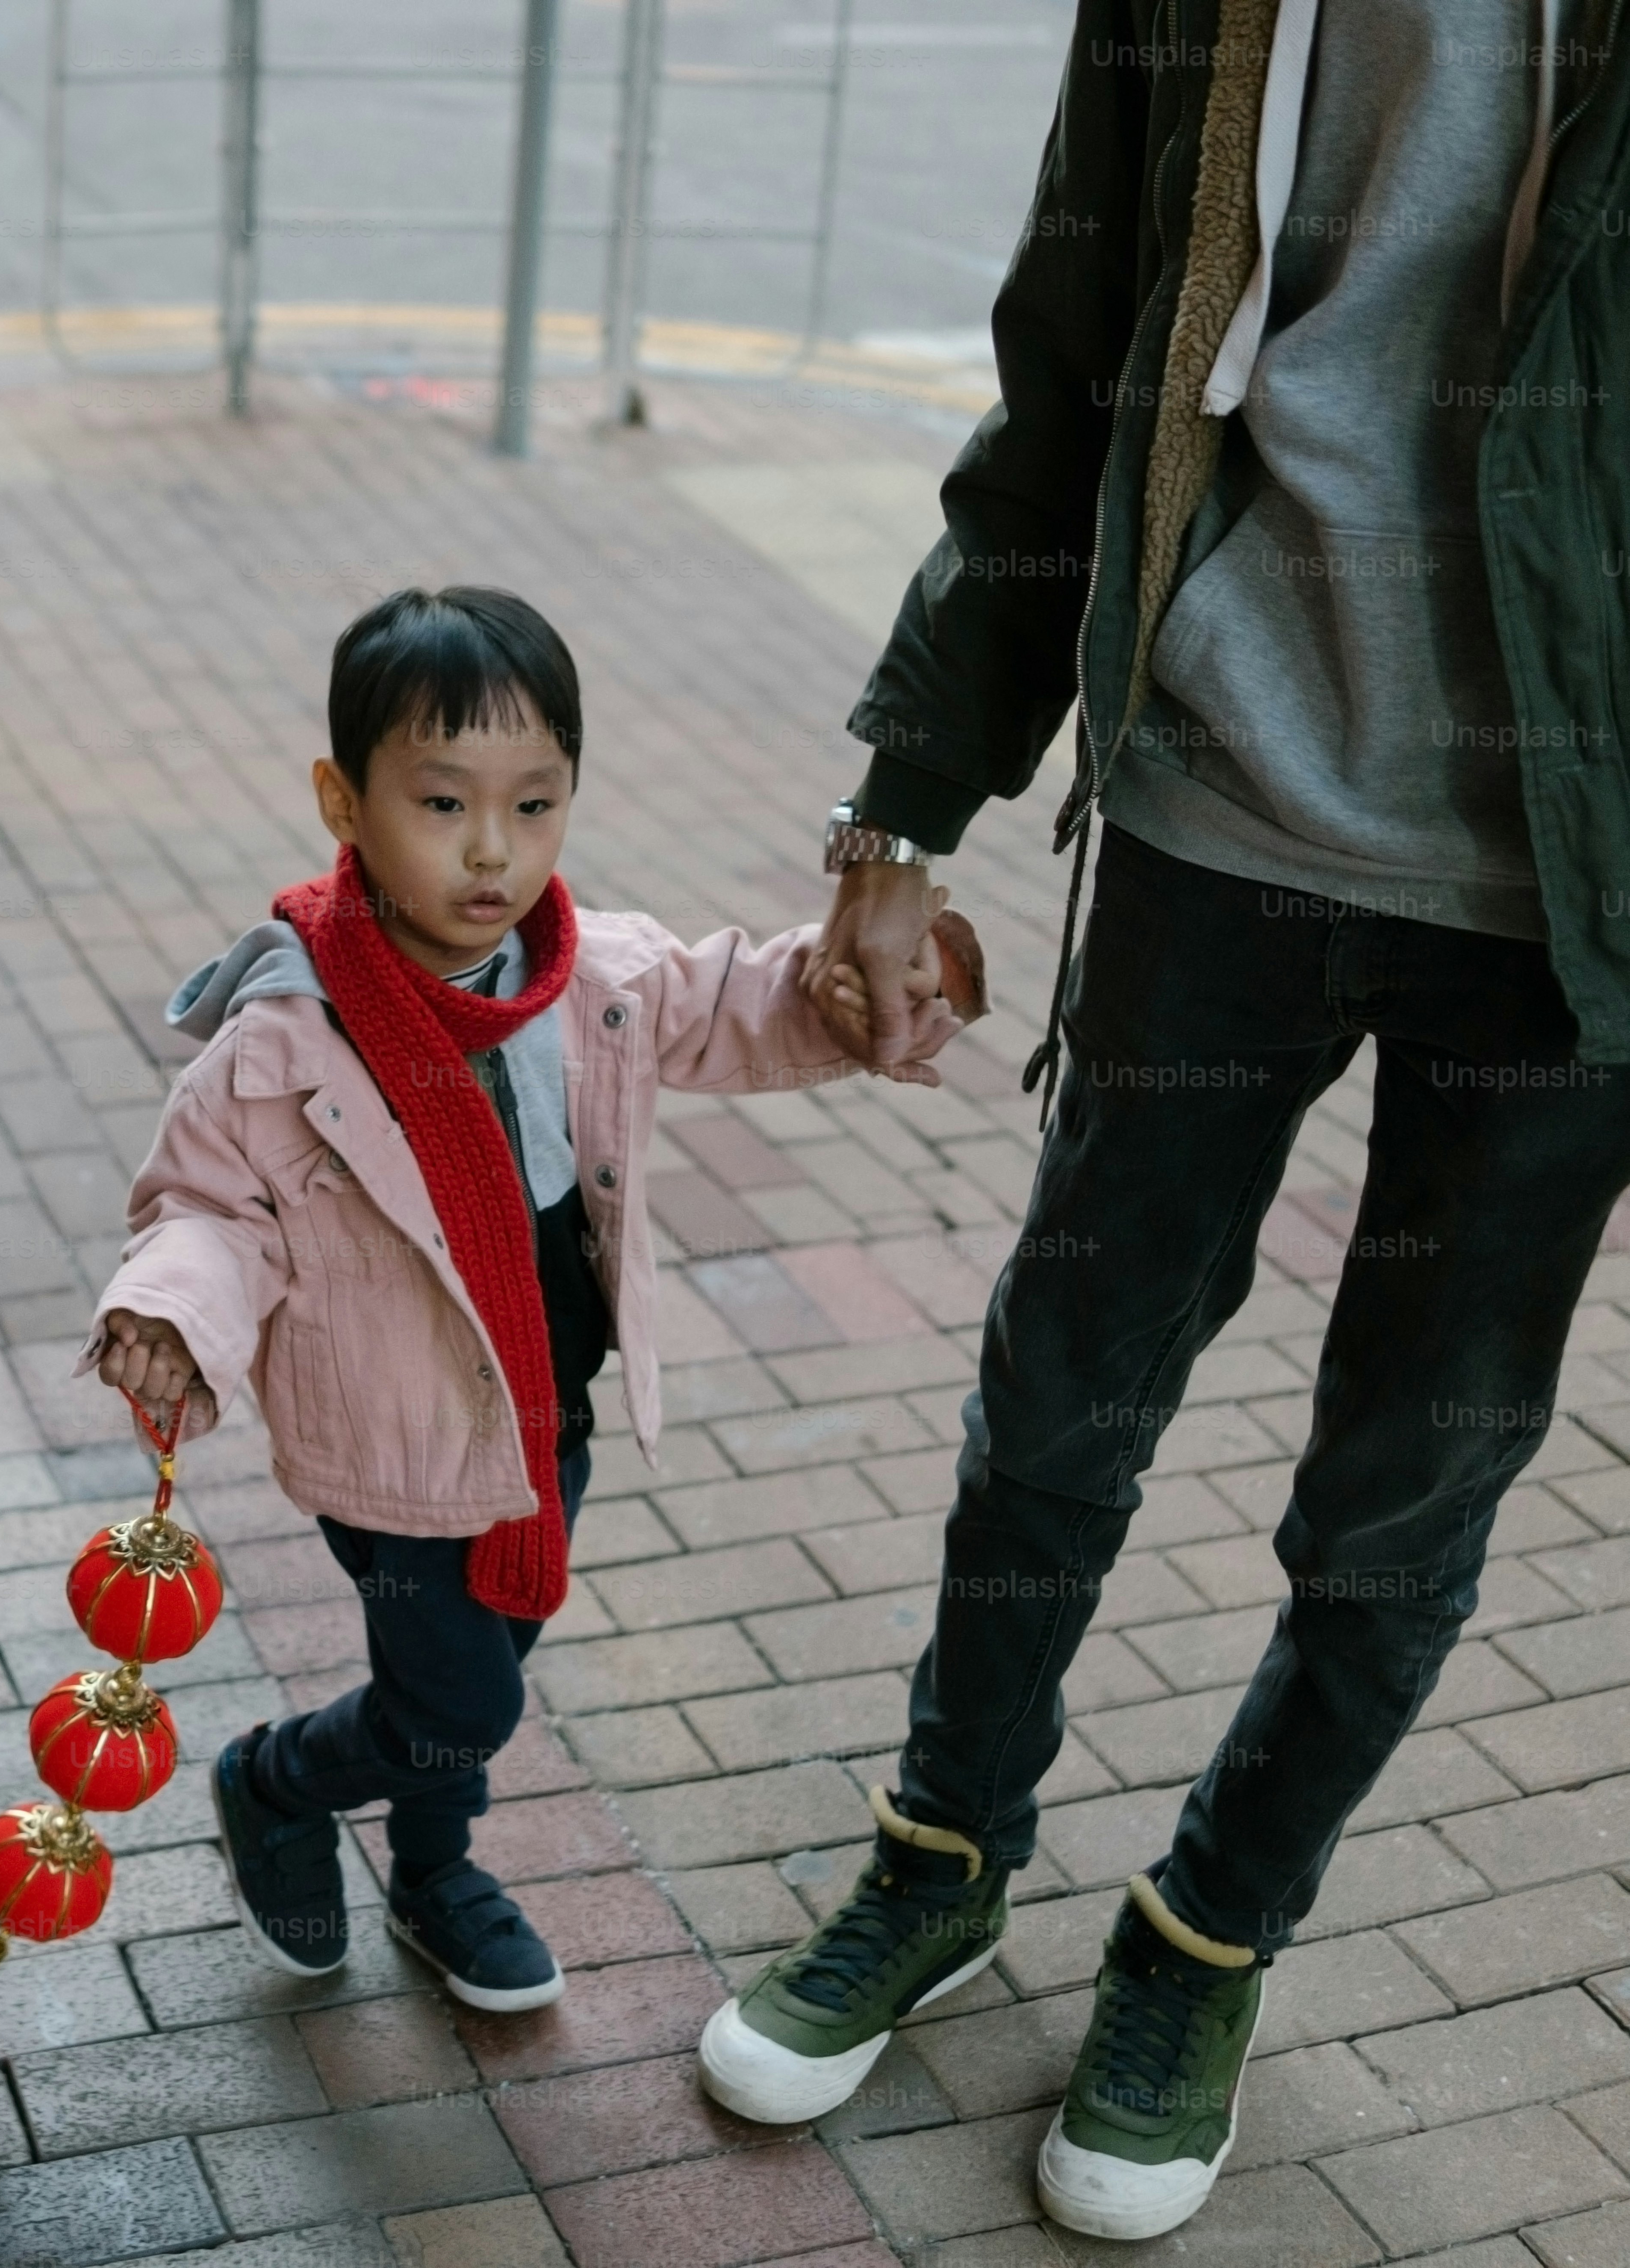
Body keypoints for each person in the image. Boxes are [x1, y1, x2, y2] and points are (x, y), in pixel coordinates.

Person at [699, 0, 1630, 2242]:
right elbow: (1072, 342)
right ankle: (939, 1854)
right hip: (1221, 800)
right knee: (1063, 1390)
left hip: (1571, 894)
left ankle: (1206, 1938)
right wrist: (907, 797)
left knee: (1405, 1488)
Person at [87, 589, 982, 2011]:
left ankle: (427, 1871)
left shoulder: (590, 977)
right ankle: (279, 1783)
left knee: (473, 1666)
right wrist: (170, 1312)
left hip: (549, 1411)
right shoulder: (285, 1036)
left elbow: (732, 999)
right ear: (344, 801)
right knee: (459, 1700)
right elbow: (207, 1210)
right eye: (442, 803)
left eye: (533, 803)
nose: (491, 849)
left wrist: (850, 982)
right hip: (392, 1436)